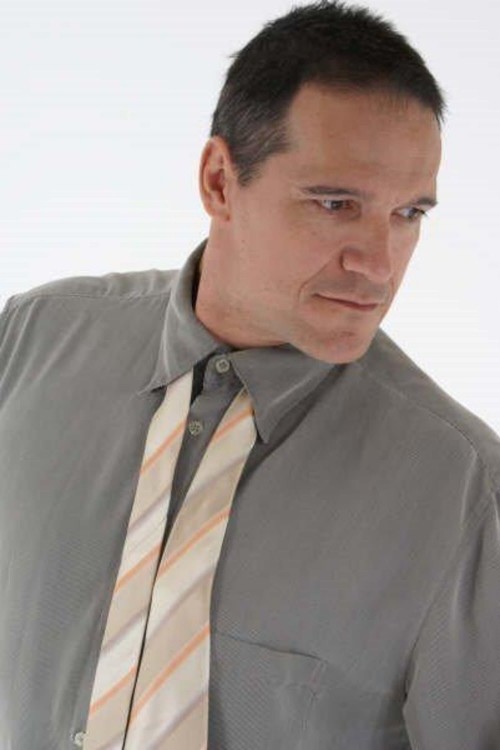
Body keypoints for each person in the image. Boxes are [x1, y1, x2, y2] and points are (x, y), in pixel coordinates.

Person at [1, 1, 499, 748]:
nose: (379, 263)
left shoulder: (461, 492)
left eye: (409, 214)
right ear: (219, 181)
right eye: (336, 203)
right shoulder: (31, 343)